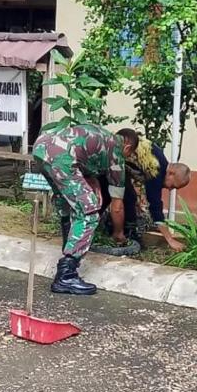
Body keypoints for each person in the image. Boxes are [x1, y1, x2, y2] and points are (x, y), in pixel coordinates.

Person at [31, 120, 126, 296]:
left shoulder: (99, 135)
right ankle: (66, 275)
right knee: (88, 213)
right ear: (127, 146)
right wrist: (119, 233)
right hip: (62, 156)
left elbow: (84, 167)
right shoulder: (116, 148)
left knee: (67, 204)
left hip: (41, 148)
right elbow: (117, 203)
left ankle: (67, 249)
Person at [116, 127, 192, 252]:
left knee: (130, 198)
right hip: (111, 160)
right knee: (123, 198)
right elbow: (155, 208)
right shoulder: (155, 170)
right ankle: (120, 235)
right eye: (173, 186)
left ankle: (127, 234)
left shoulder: (159, 158)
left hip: (120, 165)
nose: (169, 189)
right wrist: (170, 240)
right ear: (171, 173)